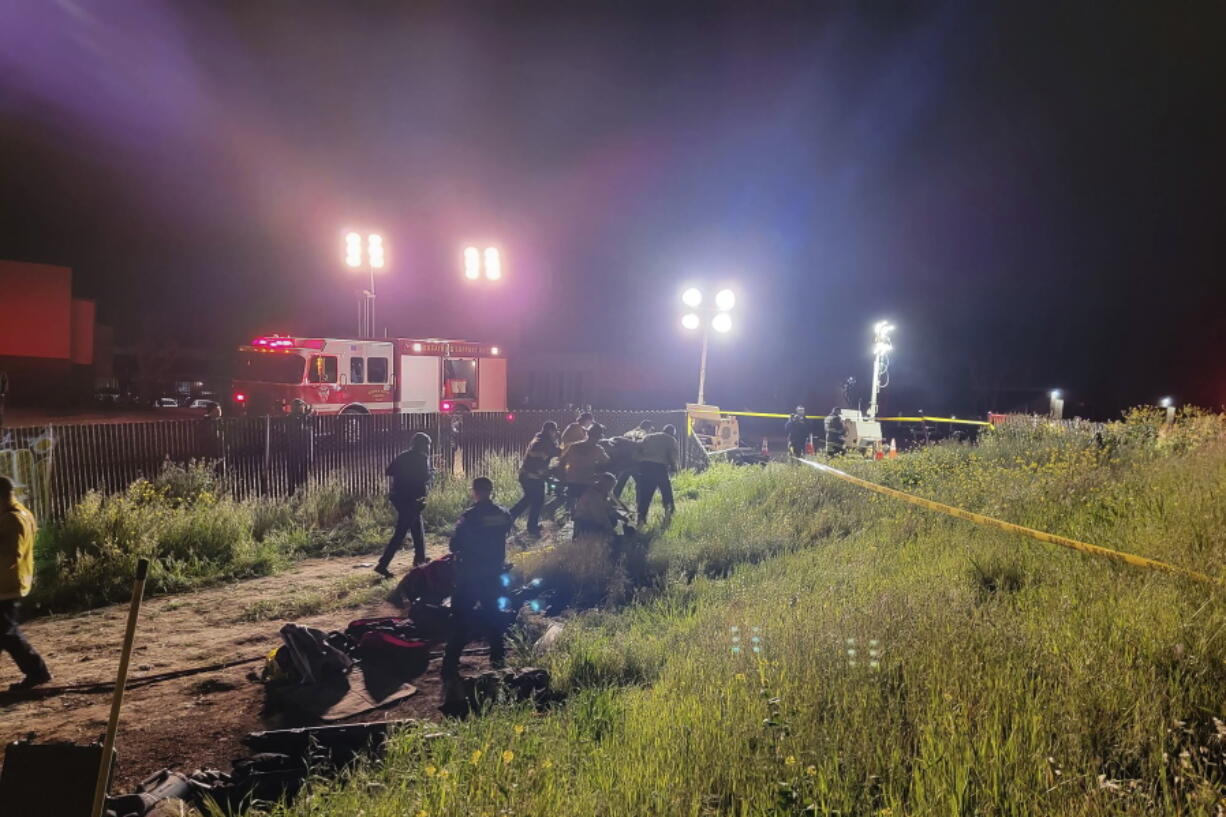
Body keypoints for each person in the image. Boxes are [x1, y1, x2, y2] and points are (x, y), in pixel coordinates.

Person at [441, 477, 512, 680]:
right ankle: (498, 660)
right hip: (493, 573)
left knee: (460, 617)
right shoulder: (503, 514)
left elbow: (455, 545)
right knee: (494, 614)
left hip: (470, 575)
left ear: (475, 492)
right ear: (491, 490)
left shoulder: (469, 516)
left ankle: (450, 664)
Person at [0, 477, 50, 691]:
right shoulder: (22, 513)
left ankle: (38, 671)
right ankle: (37, 672)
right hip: (11, 584)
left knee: (8, 634)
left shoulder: (12, 519)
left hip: (5, 586)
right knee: (4, 633)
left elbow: (11, 555)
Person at [375, 432, 433, 577]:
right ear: (423, 445)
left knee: (417, 528)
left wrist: (405, 473)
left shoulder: (403, 456)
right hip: (412, 500)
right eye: (427, 445)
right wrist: (431, 473)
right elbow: (424, 477)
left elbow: (389, 471)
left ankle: (420, 558)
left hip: (399, 498)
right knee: (401, 533)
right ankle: (383, 564)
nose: (428, 448)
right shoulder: (421, 458)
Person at [509, 421, 560, 537]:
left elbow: (554, 452)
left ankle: (510, 518)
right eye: (554, 431)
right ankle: (531, 527)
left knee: (529, 499)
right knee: (537, 500)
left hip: (529, 475)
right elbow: (542, 454)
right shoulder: (541, 442)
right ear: (550, 431)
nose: (555, 434)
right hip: (531, 476)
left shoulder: (541, 439)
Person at [558, 422, 610, 510]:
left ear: (587, 434)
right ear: (599, 437)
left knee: (573, 506)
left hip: (572, 480)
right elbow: (606, 462)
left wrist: (563, 476)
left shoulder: (574, 446)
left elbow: (562, 461)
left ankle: (571, 514)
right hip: (587, 482)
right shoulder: (598, 449)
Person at [636, 423, 679, 522]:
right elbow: (673, 456)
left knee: (645, 493)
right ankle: (669, 513)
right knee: (666, 491)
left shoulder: (649, 436)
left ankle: (641, 517)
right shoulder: (671, 440)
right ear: (672, 433)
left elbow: (638, 449)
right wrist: (674, 467)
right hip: (659, 468)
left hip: (645, 466)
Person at [573, 472, 635, 540]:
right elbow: (600, 516)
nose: (610, 490)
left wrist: (622, 518)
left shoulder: (601, 494)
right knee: (611, 528)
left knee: (614, 520)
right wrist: (611, 531)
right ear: (604, 485)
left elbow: (610, 510)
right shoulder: (593, 496)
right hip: (584, 523)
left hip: (591, 520)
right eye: (610, 487)